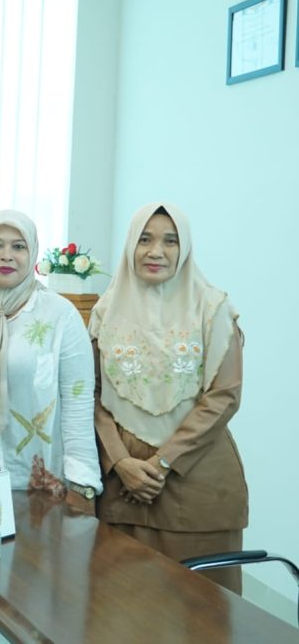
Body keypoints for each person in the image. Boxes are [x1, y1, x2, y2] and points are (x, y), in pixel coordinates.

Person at [91, 203, 246, 592]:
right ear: (130, 246)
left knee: (201, 613)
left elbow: (224, 396)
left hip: (197, 481)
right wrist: (120, 460)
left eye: (170, 241)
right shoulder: (106, 311)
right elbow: (90, 393)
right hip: (124, 485)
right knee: (122, 610)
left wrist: (163, 462)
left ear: (185, 249)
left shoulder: (213, 308)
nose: (155, 251)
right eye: (144, 239)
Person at [0, 210, 101, 514]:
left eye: (18, 247)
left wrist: (83, 485)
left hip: (39, 482)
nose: (6, 256)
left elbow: (78, 404)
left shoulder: (60, 315)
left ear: (32, 253)